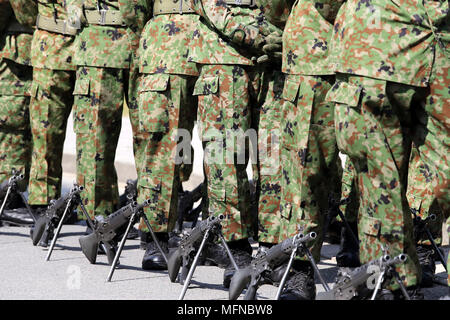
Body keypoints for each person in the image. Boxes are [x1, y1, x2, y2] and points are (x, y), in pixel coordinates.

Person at [326, 0, 449, 298]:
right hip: (376, 42)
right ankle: (392, 283)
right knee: (381, 184)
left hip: (442, 43)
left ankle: (405, 262)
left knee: (441, 181)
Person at [188, 0, 283, 286]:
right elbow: (217, 11)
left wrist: (286, 40)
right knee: (226, 159)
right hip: (224, 59)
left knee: (275, 158)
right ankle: (234, 247)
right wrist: (268, 37)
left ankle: (273, 248)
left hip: (274, 64)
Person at [277, 0, 346, 300]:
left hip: (375, 48)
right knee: (305, 164)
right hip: (318, 50)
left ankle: (370, 256)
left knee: (373, 162)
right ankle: (300, 267)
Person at [69, 0, 151, 222]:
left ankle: (153, 221)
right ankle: (96, 217)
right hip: (99, 44)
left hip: (149, 45)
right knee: (95, 137)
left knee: (152, 135)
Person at [135, 0, 200, 270]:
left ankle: (210, 236)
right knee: (165, 148)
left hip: (195, 43)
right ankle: (156, 236)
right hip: (173, 45)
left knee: (222, 148)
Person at [27, 0, 78, 217]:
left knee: (93, 135)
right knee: (46, 131)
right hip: (60, 47)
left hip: (87, 47)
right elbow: (24, 10)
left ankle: (47, 203)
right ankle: (43, 205)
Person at [0, 0, 36, 226]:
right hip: (16, 50)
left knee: (25, 124)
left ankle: (13, 193)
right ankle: (8, 198)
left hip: (27, 47)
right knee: (14, 123)